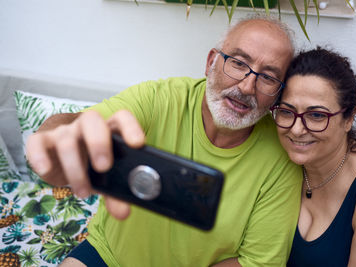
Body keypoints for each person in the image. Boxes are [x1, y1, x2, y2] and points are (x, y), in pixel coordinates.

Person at [26, 15, 303, 267]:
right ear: (211, 62)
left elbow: (255, 262)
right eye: (238, 63)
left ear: (278, 95)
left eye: (267, 77)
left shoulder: (281, 157)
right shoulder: (160, 99)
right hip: (107, 254)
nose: (246, 86)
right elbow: (78, 127)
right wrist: (55, 140)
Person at [269, 47, 356, 266]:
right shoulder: (279, 159)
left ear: (349, 117)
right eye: (286, 111)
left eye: (317, 115)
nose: (297, 129)